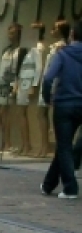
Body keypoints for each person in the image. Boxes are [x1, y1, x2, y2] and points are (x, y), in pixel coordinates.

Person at [40, 19, 82, 199]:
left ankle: (70, 187)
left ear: (72, 35)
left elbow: (49, 78)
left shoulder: (63, 54)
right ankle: (48, 184)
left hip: (64, 104)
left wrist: (47, 96)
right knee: (64, 147)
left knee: (64, 146)